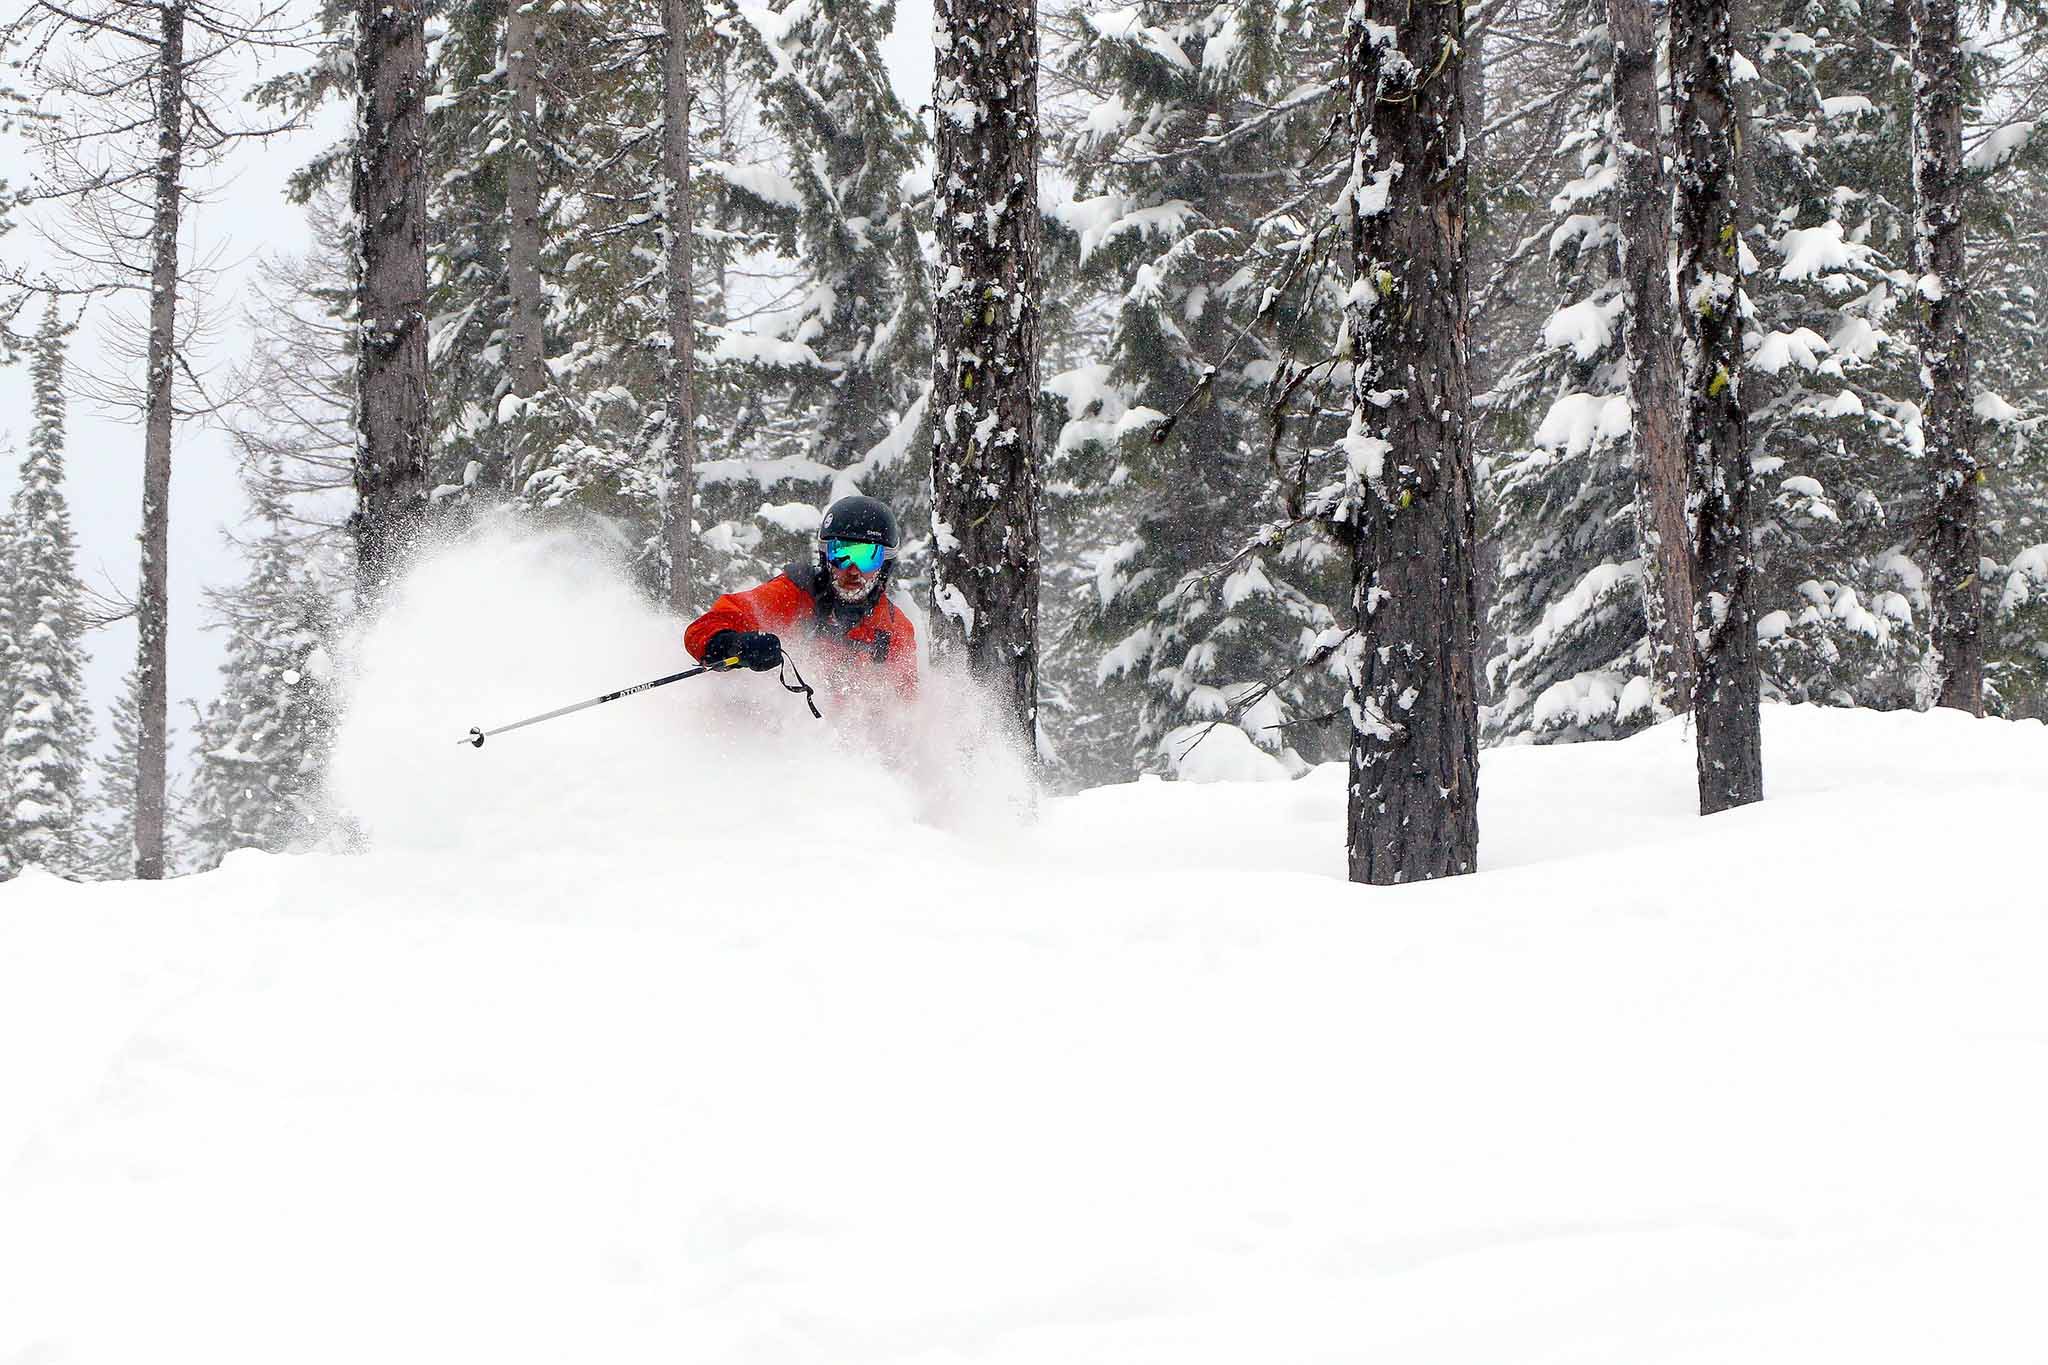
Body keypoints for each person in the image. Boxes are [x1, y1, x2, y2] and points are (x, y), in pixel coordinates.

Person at [684, 494, 918, 699]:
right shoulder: (793, 594)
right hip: (782, 732)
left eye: (868, 557)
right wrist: (737, 645)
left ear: (884, 565)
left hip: (848, 740)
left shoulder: (893, 629)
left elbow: (907, 704)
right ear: (825, 556)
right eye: (841, 554)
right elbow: (704, 629)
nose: (853, 569)